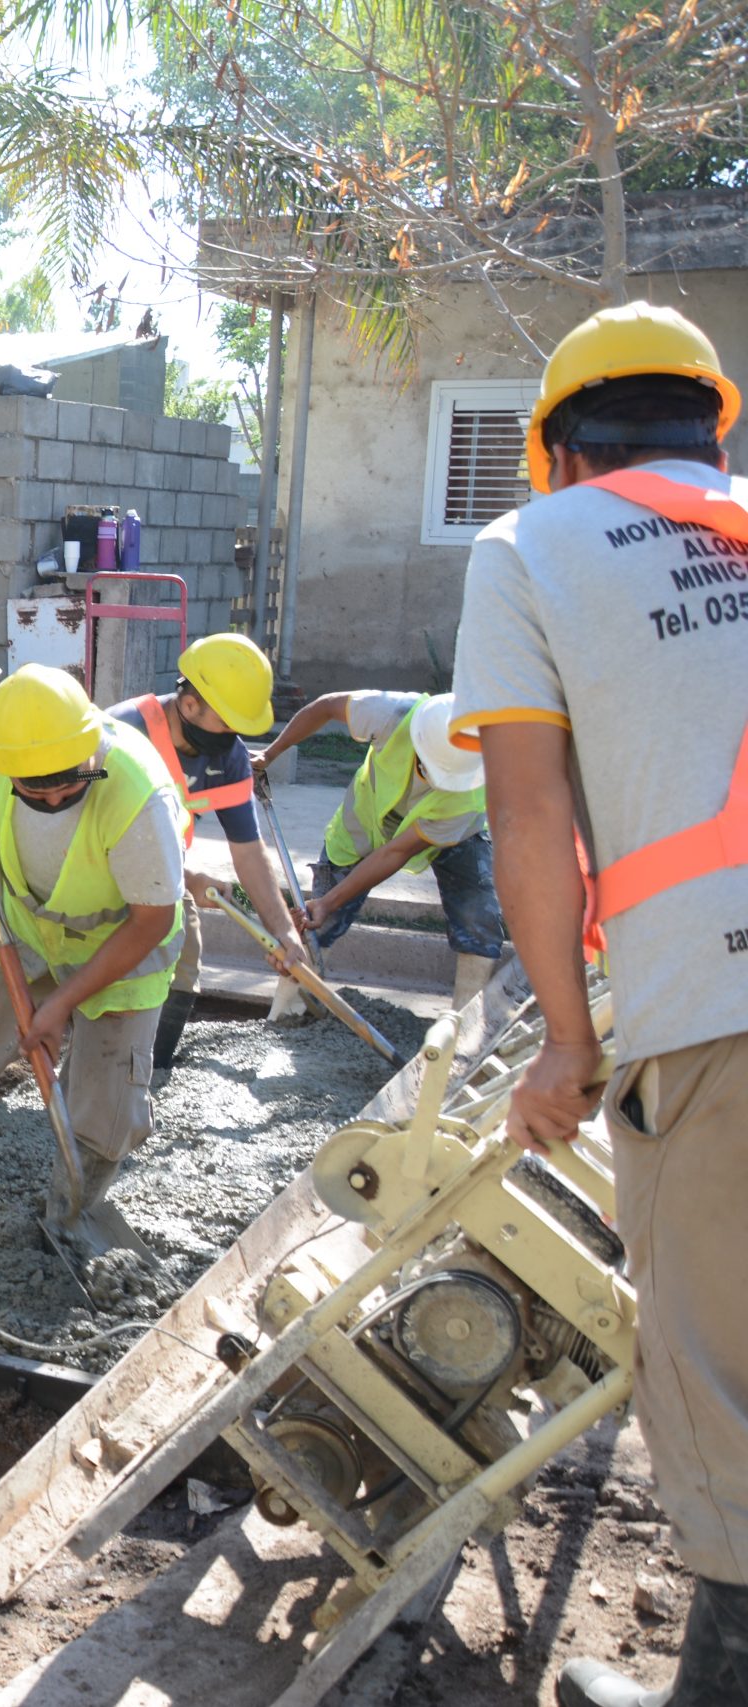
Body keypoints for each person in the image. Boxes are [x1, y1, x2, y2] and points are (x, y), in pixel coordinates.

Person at [450, 301, 748, 1706]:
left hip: (717, 996)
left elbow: (524, 811)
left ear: (557, 451)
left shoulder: (532, 548)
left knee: (716, 1366)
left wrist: (569, 1043)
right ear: (712, 426)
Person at [0, 664, 187, 1267]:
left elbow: (150, 920)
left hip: (124, 949)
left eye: (68, 788)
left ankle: (66, 1228)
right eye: (34, 790)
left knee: (106, 1109)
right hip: (19, 928)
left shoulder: (138, 796)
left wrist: (61, 1004)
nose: (52, 800)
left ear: (89, 749)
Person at [105, 632, 311, 1081]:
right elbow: (82, 820)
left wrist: (283, 932)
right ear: (190, 703)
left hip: (163, 877)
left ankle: (150, 1074)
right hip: (94, 873)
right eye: (228, 720)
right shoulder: (118, 734)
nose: (233, 735)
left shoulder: (229, 758)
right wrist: (188, 875)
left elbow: (250, 853)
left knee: (184, 953)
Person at [255, 689, 506, 1008]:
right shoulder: (391, 713)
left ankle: (461, 1031)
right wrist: (270, 754)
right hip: (363, 822)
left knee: (477, 917)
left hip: (457, 835)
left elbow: (396, 852)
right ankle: (289, 1011)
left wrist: (330, 901)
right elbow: (325, 707)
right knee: (318, 920)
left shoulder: (467, 795)